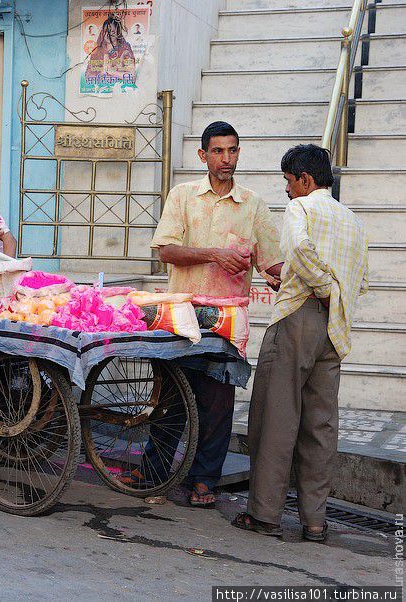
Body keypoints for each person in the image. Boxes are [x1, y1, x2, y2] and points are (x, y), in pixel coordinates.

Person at [142, 121, 284, 508]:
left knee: (218, 404)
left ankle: (204, 480)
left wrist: (290, 279)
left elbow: (272, 263)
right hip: (181, 315)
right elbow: (166, 250)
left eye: (232, 150)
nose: (226, 159)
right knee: (169, 398)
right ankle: (152, 473)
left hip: (225, 323)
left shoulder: (252, 204)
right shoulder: (184, 196)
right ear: (203, 155)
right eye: (218, 151)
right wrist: (214, 254)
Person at [233, 145, 369, 542]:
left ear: (305, 180)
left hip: (299, 318)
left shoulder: (302, 208)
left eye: (289, 183)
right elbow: (361, 280)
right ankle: (315, 521)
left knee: (276, 418)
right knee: (320, 425)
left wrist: (323, 289)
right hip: (335, 326)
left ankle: (264, 515)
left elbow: (300, 252)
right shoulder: (354, 220)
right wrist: (335, 298)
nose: (288, 192)